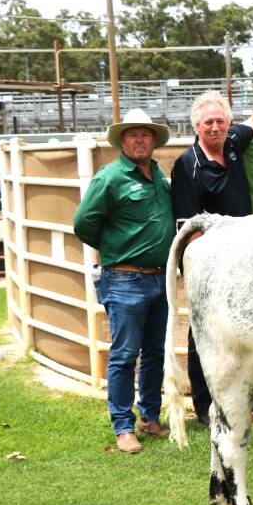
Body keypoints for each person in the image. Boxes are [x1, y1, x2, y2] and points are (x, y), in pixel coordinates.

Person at [170, 88, 253, 426]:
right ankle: (203, 400)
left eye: (220, 121)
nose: (215, 127)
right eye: (207, 123)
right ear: (196, 126)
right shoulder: (188, 165)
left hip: (248, 259)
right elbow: (188, 225)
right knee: (203, 328)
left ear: (228, 123)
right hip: (212, 263)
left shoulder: (233, 143)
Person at [73, 108, 175, 454]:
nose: (139, 139)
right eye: (132, 134)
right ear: (122, 140)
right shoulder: (110, 177)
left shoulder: (160, 176)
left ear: (153, 140)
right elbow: (84, 223)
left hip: (160, 279)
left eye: (145, 134)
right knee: (125, 354)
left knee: (154, 353)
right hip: (125, 278)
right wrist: (116, 246)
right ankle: (122, 425)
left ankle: (149, 416)